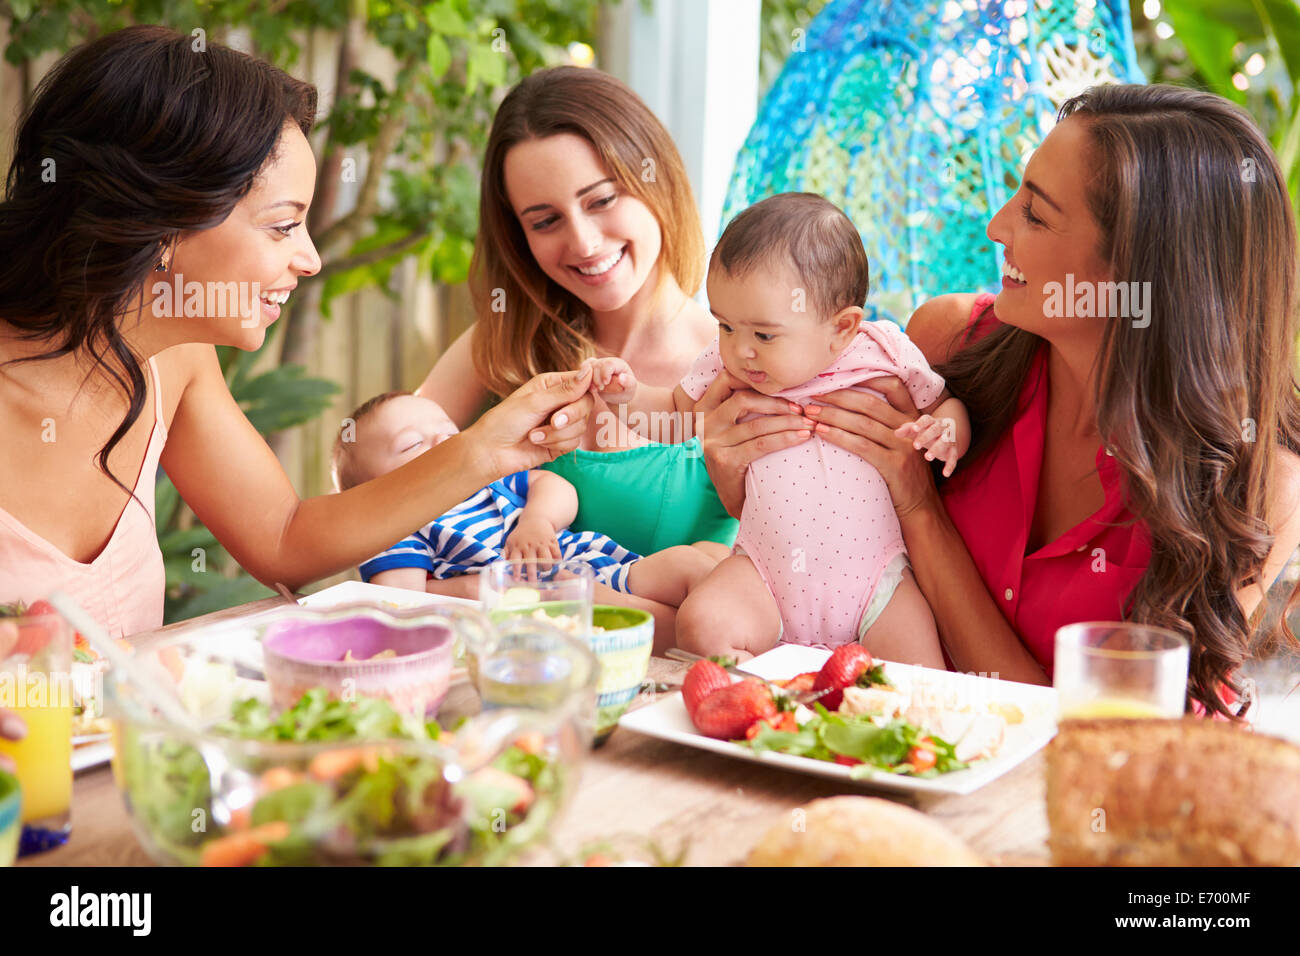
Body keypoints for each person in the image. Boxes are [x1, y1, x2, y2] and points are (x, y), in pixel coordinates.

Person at [699, 84, 1300, 719]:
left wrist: (921, 508)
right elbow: (817, 549)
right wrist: (732, 471)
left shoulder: (1256, 488)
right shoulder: (943, 341)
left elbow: (1085, 739)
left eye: (1036, 215)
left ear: (1137, 271)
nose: (997, 225)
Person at [0, 26, 595, 640]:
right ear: (163, 227)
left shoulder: (175, 362)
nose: (309, 260)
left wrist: (482, 452)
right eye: (283, 227)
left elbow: (283, 537)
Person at [416, 67, 775, 605]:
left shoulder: (747, 366)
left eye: (602, 200)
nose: (583, 242)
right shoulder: (502, 346)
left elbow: (779, 601)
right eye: (544, 221)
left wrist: (493, 592)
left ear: (654, 179)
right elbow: (371, 486)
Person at [589, 193, 968, 663]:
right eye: (726, 326)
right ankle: (772, 701)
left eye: (763, 335)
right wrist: (624, 395)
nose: (740, 349)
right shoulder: (725, 368)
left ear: (843, 328)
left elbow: (944, 402)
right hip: (762, 574)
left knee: (922, 676)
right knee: (701, 624)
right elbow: (672, 416)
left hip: (876, 584)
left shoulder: (883, 353)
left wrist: (946, 432)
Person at [330, 391, 714, 615]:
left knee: (689, 564)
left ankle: (744, 633)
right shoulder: (401, 528)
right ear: (371, 494)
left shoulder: (487, 482)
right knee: (663, 621)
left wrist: (537, 522)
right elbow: (401, 600)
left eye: (449, 432)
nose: (443, 444)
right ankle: (704, 642)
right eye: (412, 445)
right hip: (538, 612)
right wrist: (479, 589)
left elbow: (554, 484)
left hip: (602, 565)